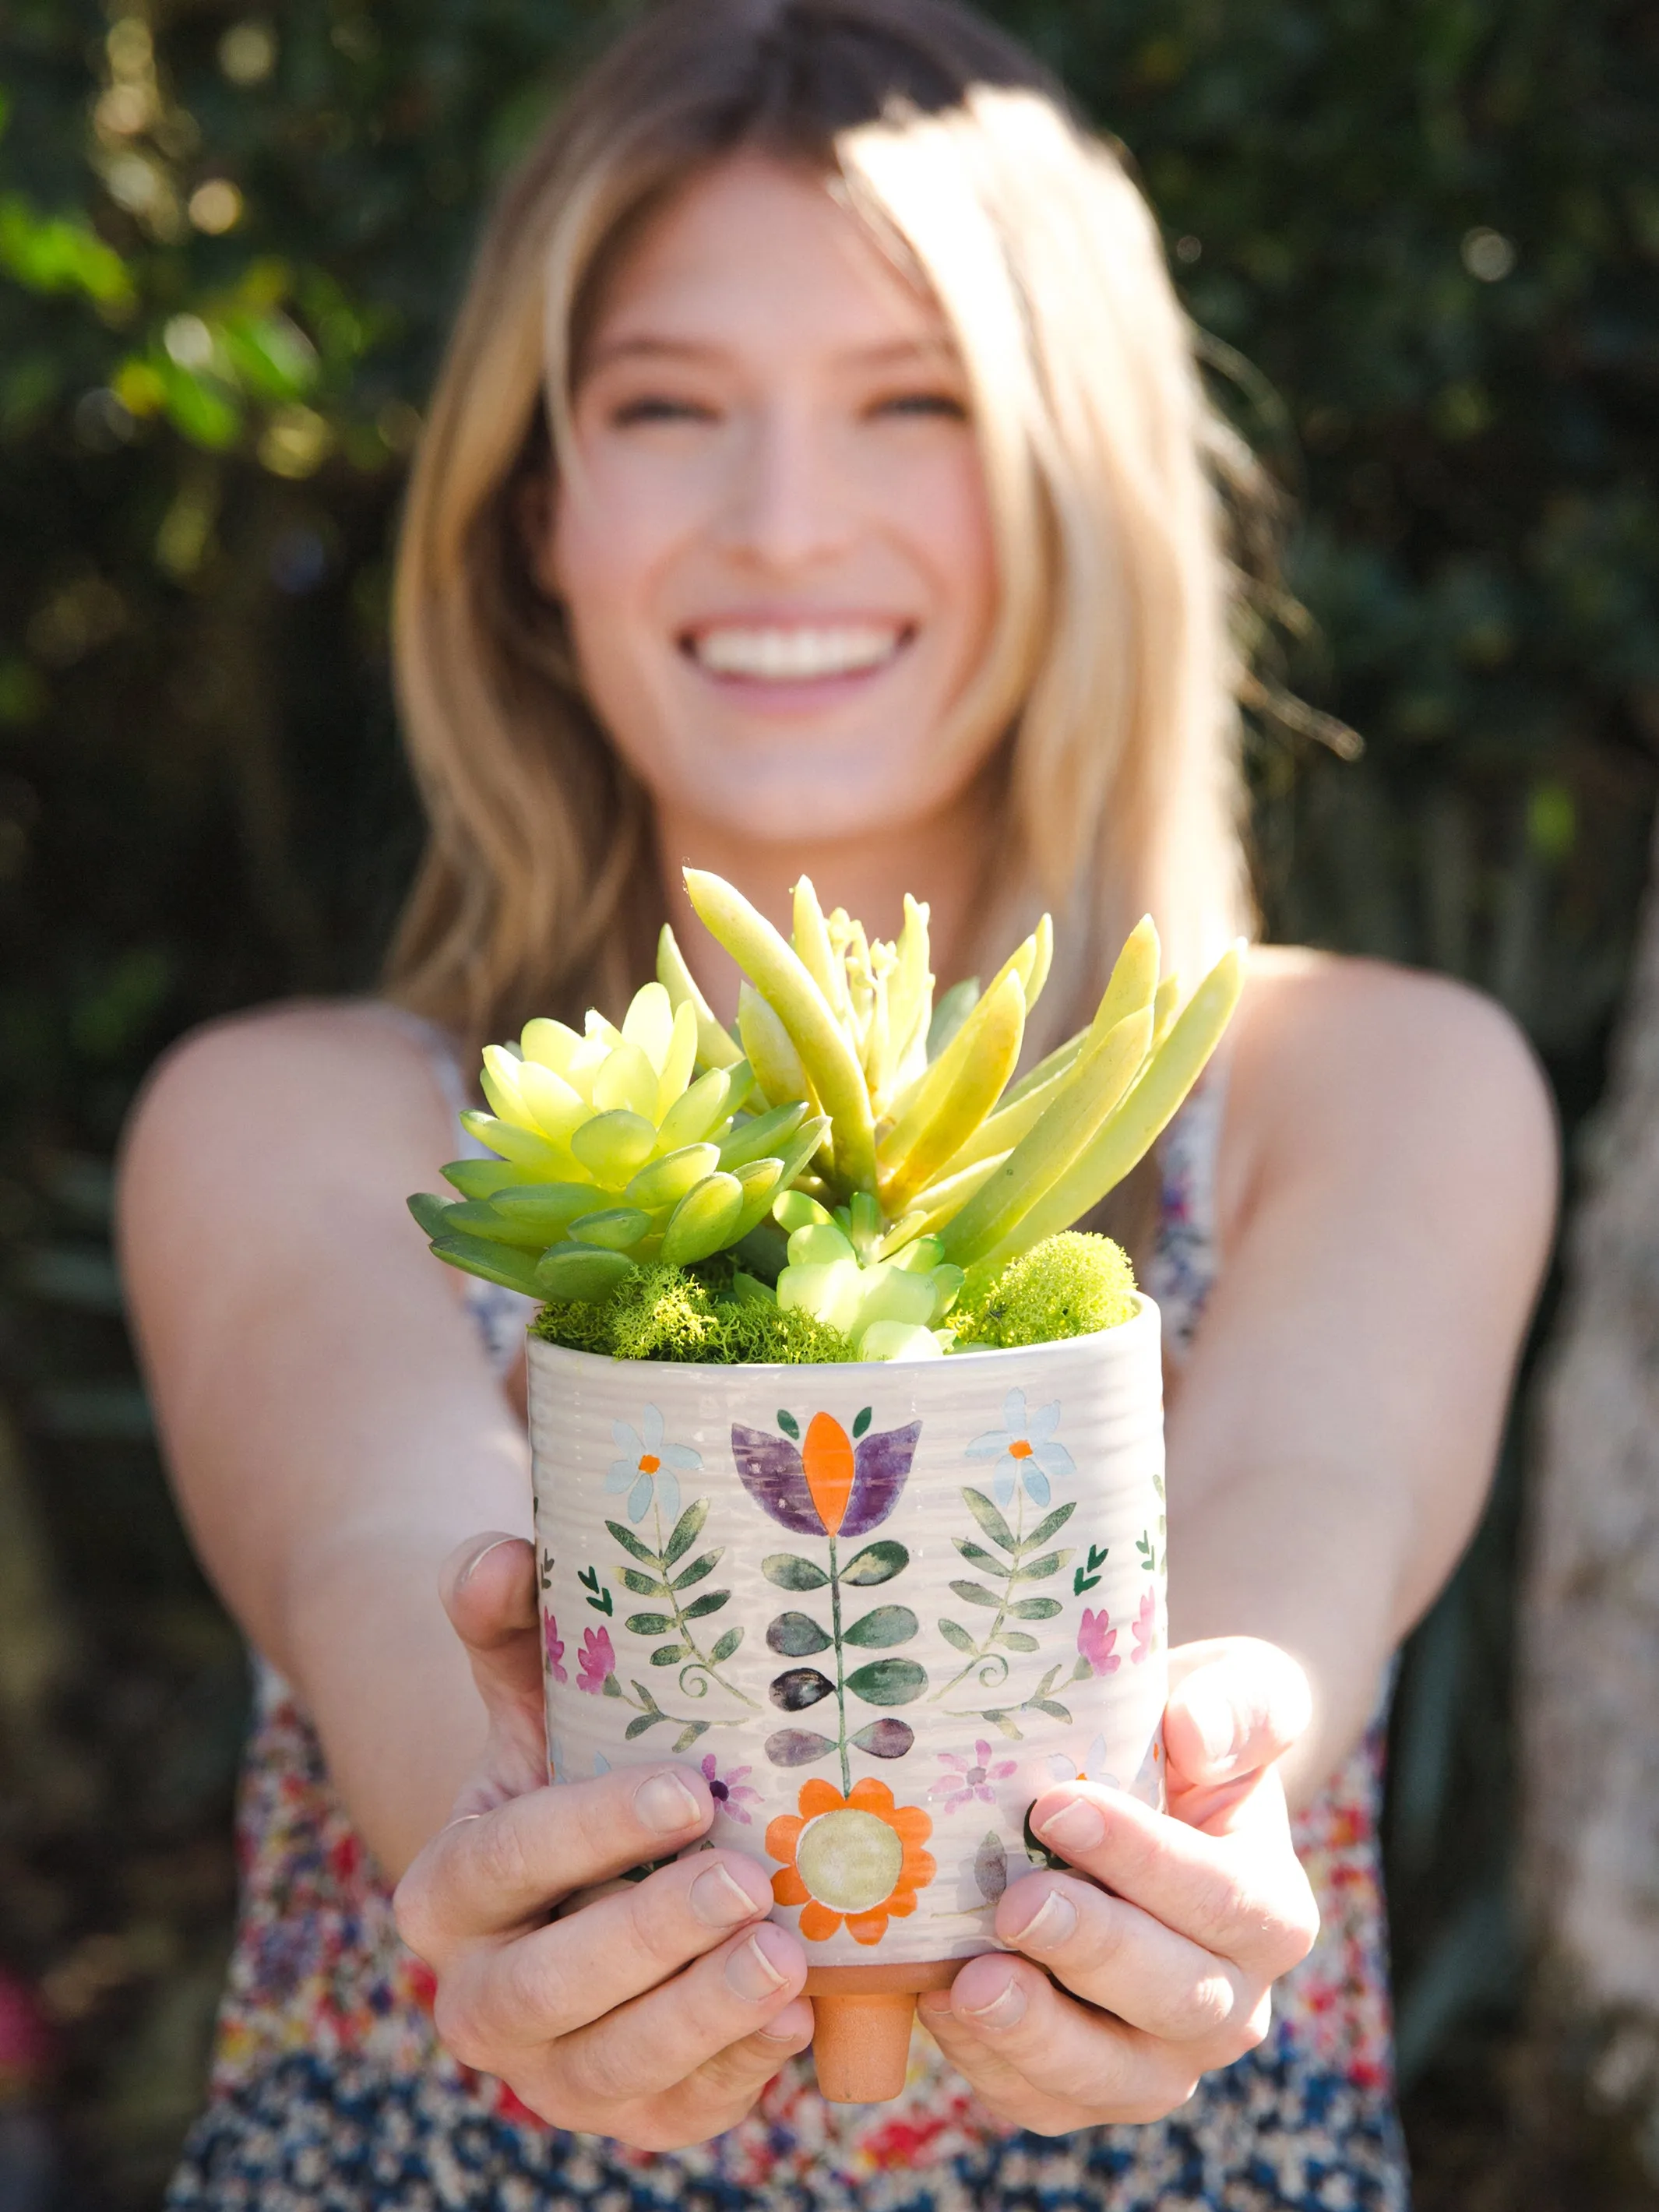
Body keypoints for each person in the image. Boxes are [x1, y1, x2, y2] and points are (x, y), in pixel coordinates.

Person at [118, 2, 1556, 2206]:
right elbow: (381, 1550)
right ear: (536, 519)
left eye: (918, 407)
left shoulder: (1364, 1085)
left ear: (1081, 487)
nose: (786, 525)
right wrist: (526, 1869)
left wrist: (1196, 1792)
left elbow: (1301, 1521)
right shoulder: (297, 1126)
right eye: (670, 408)